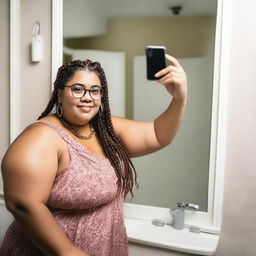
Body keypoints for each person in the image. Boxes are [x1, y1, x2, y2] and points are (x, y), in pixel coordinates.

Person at [0, 54, 187, 256]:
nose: (88, 97)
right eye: (78, 89)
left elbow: (159, 136)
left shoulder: (106, 129)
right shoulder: (42, 137)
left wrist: (179, 98)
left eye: (95, 91)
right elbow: (23, 204)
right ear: (60, 95)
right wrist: (67, 252)